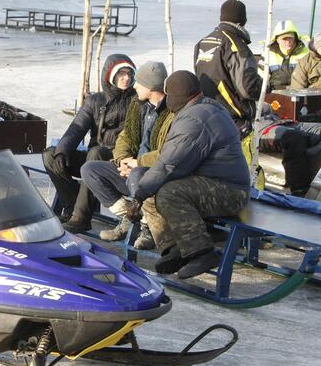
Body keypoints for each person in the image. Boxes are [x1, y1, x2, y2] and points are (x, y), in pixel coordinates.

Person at [129, 71, 250, 279]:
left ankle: (201, 252)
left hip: (230, 190)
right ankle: (173, 247)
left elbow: (170, 163)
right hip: (209, 181)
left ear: (175, 96)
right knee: (153, 188)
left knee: (168, 192)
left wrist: (138, 196)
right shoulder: (201, 108)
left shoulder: (195, 120)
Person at [81, 61, 172, 249]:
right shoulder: (138, 105)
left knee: (139, 175)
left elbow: (168, 153)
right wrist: (122, 161)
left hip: (155, 175)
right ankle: (128, 218)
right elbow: (125, 137)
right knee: (90, 170)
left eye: (138, 81)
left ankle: (148, 228)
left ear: (151, 85)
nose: (134, 84)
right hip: (132, 169)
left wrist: (136, 163)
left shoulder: (171, 112)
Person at [43, 54, 136, 233]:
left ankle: (81, 218)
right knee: (50, 155)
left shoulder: (136, 101)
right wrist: (62, 151)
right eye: (121, 74)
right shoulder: (96, 100)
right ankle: (71, 207)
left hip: (117, 162)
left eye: (129, 74)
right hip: (93, 160)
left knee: (96, 154)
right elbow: (76, 128)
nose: (126, 78)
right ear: (110, 75)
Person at [194, 0, 262, 138]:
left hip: (207, 114)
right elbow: (248, 88)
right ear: (242, 21)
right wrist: (265, 85)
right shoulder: (237, 47)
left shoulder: (203, 43)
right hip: (233, 120)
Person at [258, 104, 321, 196]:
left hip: (282, 122)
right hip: (260, 130)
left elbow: (267, 107)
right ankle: (299, 190)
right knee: (293, 138)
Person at [261, 20, 309, 91]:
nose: (288, 41)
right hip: (275, 95)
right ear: (277, 40)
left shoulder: (306, 54)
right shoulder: (268, 54)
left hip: (301, 94)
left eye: (290, 38)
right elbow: (261, 78)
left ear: (295, 37)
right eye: (284, 39)